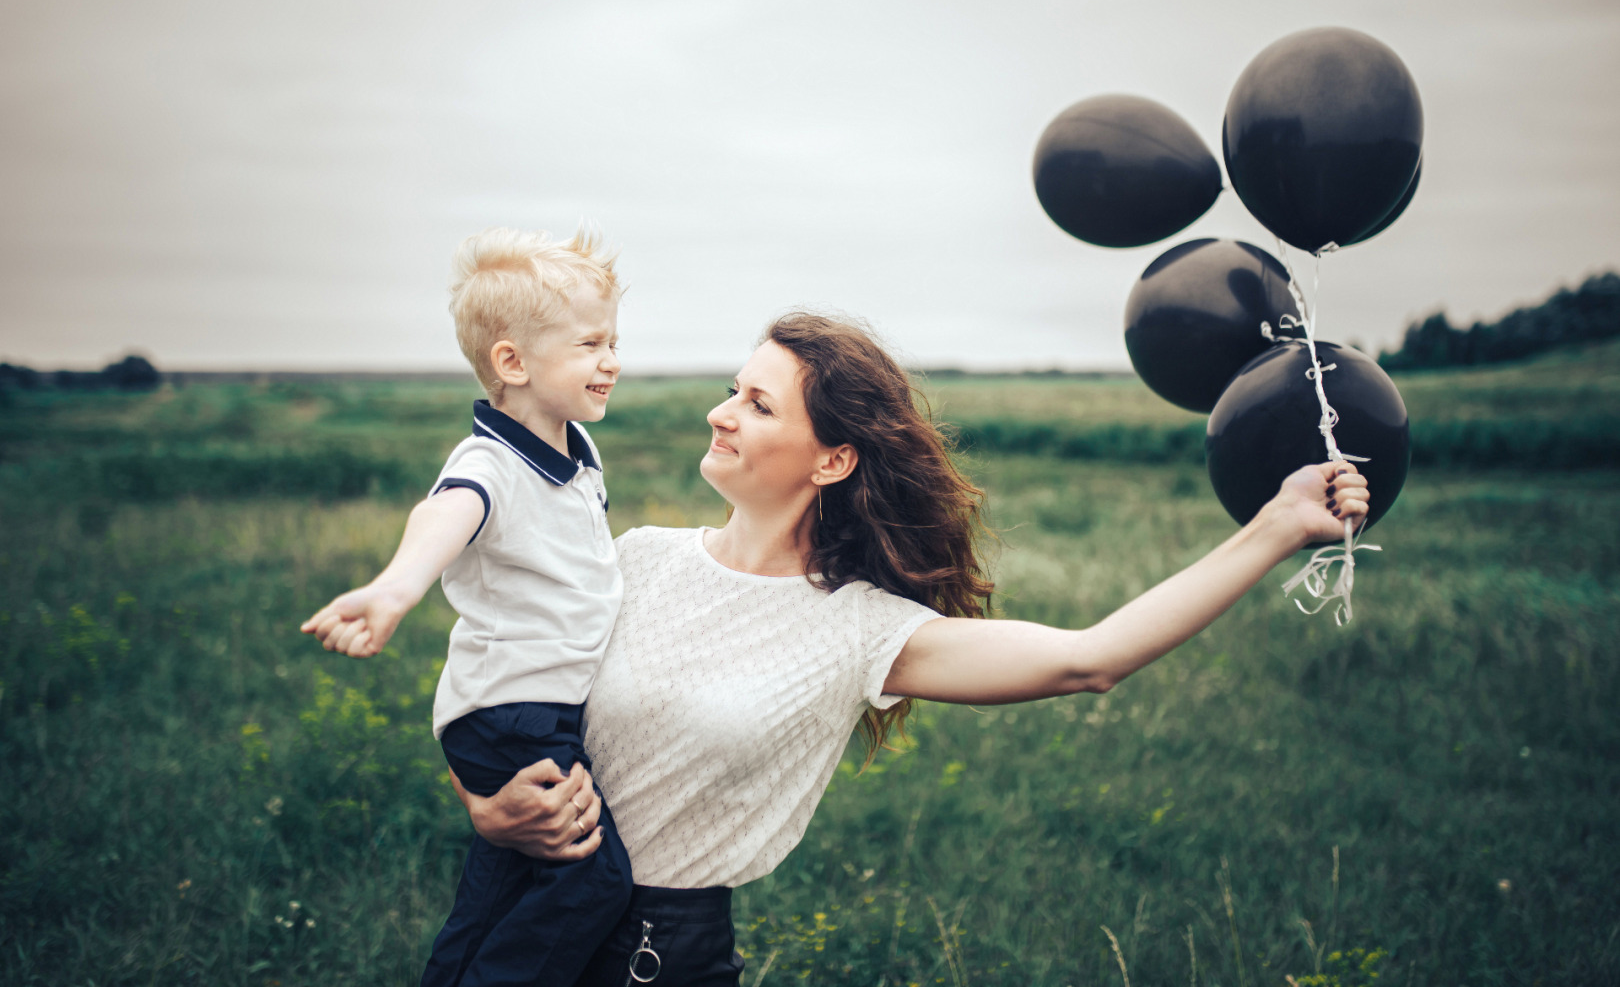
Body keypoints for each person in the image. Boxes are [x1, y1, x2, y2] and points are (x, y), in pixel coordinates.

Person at [449, 312, 1372, 987]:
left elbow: (1092, 658)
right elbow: (500, 679)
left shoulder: (862, 630)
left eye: (757, 404)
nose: (720, 414)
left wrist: (1280, 525)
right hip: (513, 901)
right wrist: (484, 807)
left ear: (832, 460)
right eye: (733, 390)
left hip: (657, 954)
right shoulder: (637, 558)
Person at [300, 226, 634, 987]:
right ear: (511, 362)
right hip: (514, 713)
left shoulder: (577, 446)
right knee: (592, 882)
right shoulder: (488, 461)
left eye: (613, 341)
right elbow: (448, 514)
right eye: (588, 344)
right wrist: (396, 587)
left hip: (525, 710)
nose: (612, 360)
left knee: (501, 889)